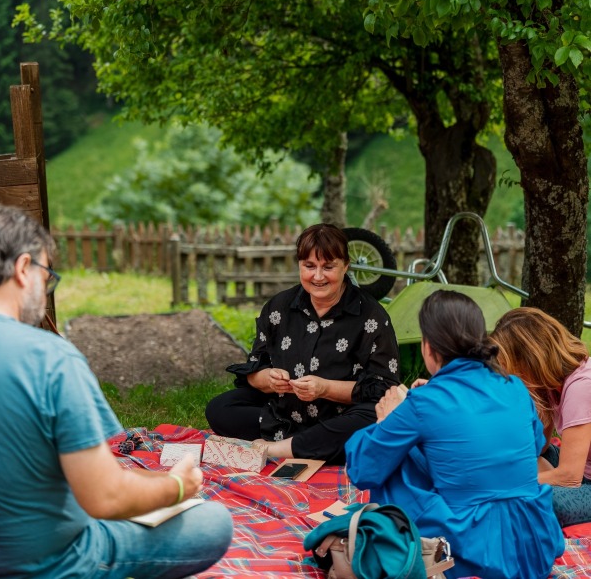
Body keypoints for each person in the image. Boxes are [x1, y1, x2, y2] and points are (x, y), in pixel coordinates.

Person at [0, 204, 233, 579]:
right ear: (24, 269)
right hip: (55, 562)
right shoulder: (50, 359)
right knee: (213, 521)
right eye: (46, 275)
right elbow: (105, 497)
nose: (44, 291)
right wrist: (176, 485)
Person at [345, 290, 564, 579]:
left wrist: (389, 420)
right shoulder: (514, 387)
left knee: (395, 456)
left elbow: (362, 470)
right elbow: (534, 444)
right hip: (534, 546)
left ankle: (403, 544)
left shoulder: (424, 402)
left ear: (428, 348)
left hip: (473, 550)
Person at [205, 223, 400, 463]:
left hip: (341, 417)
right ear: (299, 265)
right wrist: (269, 380)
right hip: (285, 413)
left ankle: (277, 448)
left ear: (345, 266)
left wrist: (325, 388)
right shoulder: (278, 308)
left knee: (376, 418)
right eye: (309, 266)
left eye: (328, 267)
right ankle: (313, 444)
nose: (318, 276)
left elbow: (385, 390)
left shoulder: (371, 316)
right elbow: (254, 369)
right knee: (220, 408)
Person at [493, 306, 591, 527]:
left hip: (578, 478)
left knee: (546, 503)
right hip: (581, 472)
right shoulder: (552, 385)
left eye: (509, 366)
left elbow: (569, 477)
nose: (508, 374)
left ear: (530, 358)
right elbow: (540, 448)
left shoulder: (581, 386)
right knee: (515, 460)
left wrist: (507, 482)